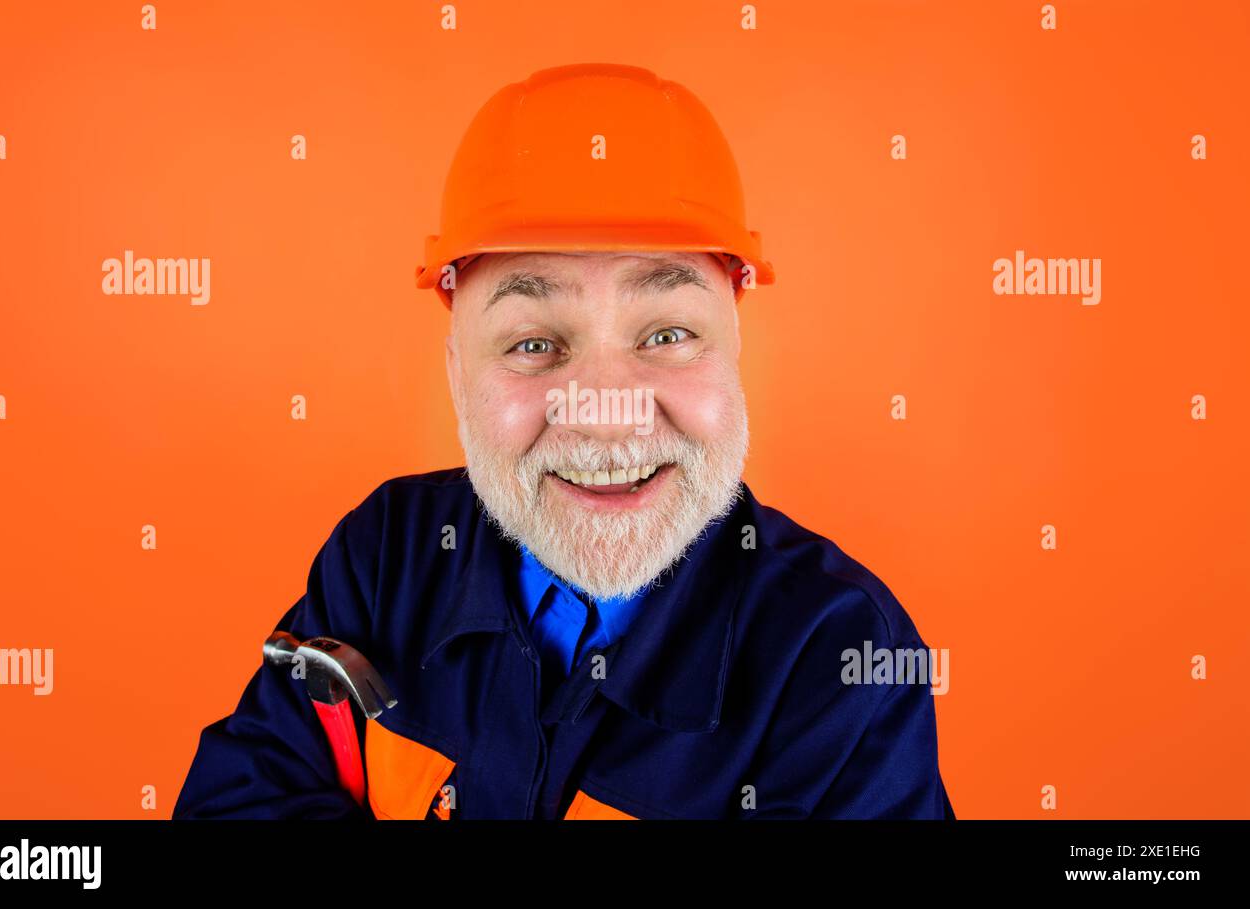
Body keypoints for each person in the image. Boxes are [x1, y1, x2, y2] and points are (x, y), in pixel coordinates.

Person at [174, 63, 953, 820]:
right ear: (456, 373)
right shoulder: (384, 559)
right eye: (535, 344)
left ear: (732, 350)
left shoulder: (840, 664)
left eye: (668, 333)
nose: (606, 411)